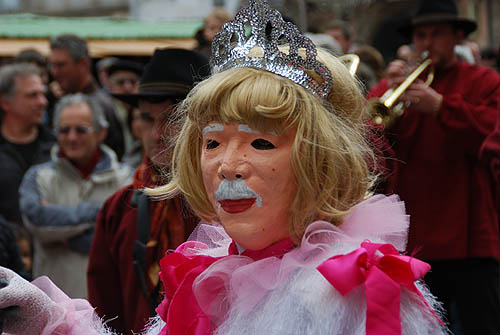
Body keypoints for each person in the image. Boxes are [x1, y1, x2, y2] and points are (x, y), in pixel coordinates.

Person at [0, 1, 446, 334]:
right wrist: (50, 321)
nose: (228, 166)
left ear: (318, 159)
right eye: (212, 142)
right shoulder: (209, 274)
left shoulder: (360, 288)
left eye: (260, 142)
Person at [367, 0, 500, 334]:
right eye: (421, 35)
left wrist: (442, 106)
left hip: (472, 235)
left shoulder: (483, 80)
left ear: (456, 37)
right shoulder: (396, 85)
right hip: (415, 234)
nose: (427, 43)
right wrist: (386, 91)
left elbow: (493, 131)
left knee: (481, 323)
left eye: (437, 34)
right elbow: (368, 140)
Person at [87, 48, 208, 335]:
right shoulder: (119, 208)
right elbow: (105, 313)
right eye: (146, 118)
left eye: (172, 119)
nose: (156, 134)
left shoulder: (227, 203)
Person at [18, 94, 132, 299]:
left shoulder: (126, 178)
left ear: (101, 132)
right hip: (55, 308)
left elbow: (126, 239)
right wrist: (103, 212)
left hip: (108, 307)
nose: (71, 137)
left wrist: (63, 233)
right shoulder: (38, 176)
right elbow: (36, 220)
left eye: (81, 129)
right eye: (64, 130)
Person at [49, 34, 125, 160]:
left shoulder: (102, 105)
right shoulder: (60, 99)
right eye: (52, 65)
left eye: (61, 65)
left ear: (83, 64)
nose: (54, 72)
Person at [0, 63, 55, 226]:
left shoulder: (57, 147)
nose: (42, 102)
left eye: (43, 94)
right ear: (5, 103)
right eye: (32, 95)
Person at [106, 59, 144, 168]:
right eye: (120, 82)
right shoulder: (106, 111)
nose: (127, 87)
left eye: (132, 82)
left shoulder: (145, 108)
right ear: (110, 86)